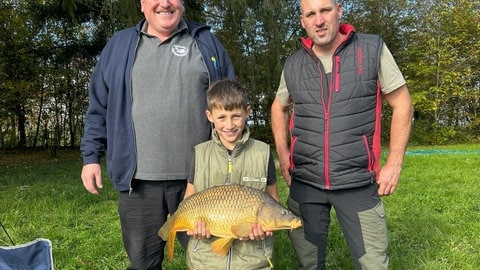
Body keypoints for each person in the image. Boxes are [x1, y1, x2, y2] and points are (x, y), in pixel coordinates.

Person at [80, 0, 235, 269]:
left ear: (182, 4)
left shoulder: (206, 42)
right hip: (138, 182)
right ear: (142, 4)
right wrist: (91, 156)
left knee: (211, 261)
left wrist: (232, 159)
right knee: (143, 264)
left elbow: (232, 105)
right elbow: (98, 107)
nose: (165, 3)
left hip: (199, 182)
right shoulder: (119, 46)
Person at [270, 0, 414, 269]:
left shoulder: (371, 49)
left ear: (339, 10)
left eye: (324, 10)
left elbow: (402, 102)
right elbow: (279, 107)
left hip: (357, 182)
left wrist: (394, 164)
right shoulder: (293, 63)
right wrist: (284, 154)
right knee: (308, 264)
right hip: (306, 183)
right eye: (310, 14)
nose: (319, 21)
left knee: (373, 265)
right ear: (303, 21)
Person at [183, 79, 280, 270]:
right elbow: (189, 200)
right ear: (209, 116)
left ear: (247, 112)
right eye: (221, 117)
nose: (229, 125)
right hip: (205, 260)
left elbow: (273, 199)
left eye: (236, 116)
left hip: (252, 261)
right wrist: (193, 228)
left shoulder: (263, 152)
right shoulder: (200, 153)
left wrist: (266, 228)